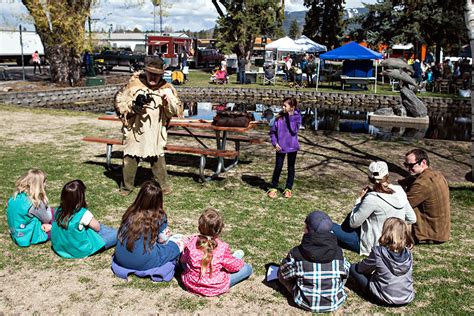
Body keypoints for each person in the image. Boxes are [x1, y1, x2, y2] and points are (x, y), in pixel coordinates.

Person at [114, 59, 182, 196]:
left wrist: (166, 102)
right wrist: (134, 106)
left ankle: (162, 185)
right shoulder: (134, 84)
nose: (153, 77)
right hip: (136, 130)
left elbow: (174, 111)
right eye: (151, 73)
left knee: (158, 159)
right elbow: (121, 104)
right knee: (130, 158)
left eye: (157, 75)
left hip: (155, 131)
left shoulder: (167, 88)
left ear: (161, 75)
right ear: (146, 72)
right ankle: (127, 187)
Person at [332, 161, 416, 256]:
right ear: (387, 175)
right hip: (396, 244)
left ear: (369, 178)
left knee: (326, 225)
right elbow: (412, 218)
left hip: (374, 246)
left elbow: (353, 223)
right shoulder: (400, 191)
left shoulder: (372, 198)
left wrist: (359, 201)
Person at [278, 211, 350, 313]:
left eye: (305, 227)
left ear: (309, 230)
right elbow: (346, 271)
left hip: (304, 302)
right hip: (334, 302)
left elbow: (285, 274)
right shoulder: (338, 252)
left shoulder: (297, 253)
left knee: (281, 273)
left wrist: (285, 263)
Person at [113, 180, 186, 280]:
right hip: (144, 261)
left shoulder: (130, 212)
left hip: (121, 258)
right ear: (159, 199)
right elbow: (163, 239)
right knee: (180, 239)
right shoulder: (159, 216)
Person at [180, 208, 253, 296]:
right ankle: (233, 258)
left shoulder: (191, 243)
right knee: (247, 268)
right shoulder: (222, 247)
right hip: (215, 286)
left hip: (192, 284)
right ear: (219, 230)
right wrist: (238, 262)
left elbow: (183, 260)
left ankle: (228, 260)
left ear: (199, 227)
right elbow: (234, 268)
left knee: (186, 263)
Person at [349, 217, 415, 306]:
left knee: (353, 268)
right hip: (406, 297)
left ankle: (371, 292)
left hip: (384, 298)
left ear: (386, 231)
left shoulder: (378, 252)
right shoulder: (408, 253)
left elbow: (362, 269)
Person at [51, 180, 118, 259]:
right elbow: (97, 228)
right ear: (81, 197)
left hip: (61, 248)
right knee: (116, 233)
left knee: (101, 228)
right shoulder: (83, 213)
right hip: (80, 250)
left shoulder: (58, 211)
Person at [398, 149, 451, 244]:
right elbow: (410, 180)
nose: (408, 169)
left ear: (423, 162)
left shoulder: (422, 184)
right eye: (406, 165)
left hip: (429, 234)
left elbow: (402, 205)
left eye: (411, 165)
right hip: (441, 232)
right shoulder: (436, 175)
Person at [6, 169, 54, 247]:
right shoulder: (34, 203)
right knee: (57, 223)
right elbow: (47, 218)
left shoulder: (15, 197)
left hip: (16, 232)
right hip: (29, 236)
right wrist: (44, 201)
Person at [267, 97, 301, 199]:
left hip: (292, 147)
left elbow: (294, 130)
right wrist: (275, 143)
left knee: (291, 168)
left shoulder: (297, 117)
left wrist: (290, 117)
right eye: (283, 105)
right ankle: (273, 187)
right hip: (280, 147)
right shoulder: (279, 118)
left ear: (292, 107)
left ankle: (288, 188)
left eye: (285, 106)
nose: (283, 107)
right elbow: (272, 132)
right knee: (278, 167)